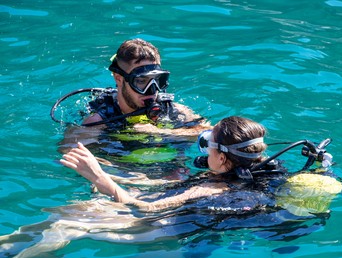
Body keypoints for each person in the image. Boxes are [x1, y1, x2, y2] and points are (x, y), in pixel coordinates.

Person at [61, 116, 270, 212]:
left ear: (223, 159)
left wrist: (100, 177)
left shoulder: (210, 189)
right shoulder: (231, 176)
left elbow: (145, 209)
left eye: (208, 144)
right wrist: (123, 177)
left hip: (166, 229)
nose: (205, 151)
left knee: (75, 217)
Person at [82, 38, 210, 136]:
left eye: (157, 80)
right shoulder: (99, 122)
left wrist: (160, 132)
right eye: (141, 81)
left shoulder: (174, 110)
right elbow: (71, 152)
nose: (152, 91)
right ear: (119, 78)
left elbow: (212, 135)